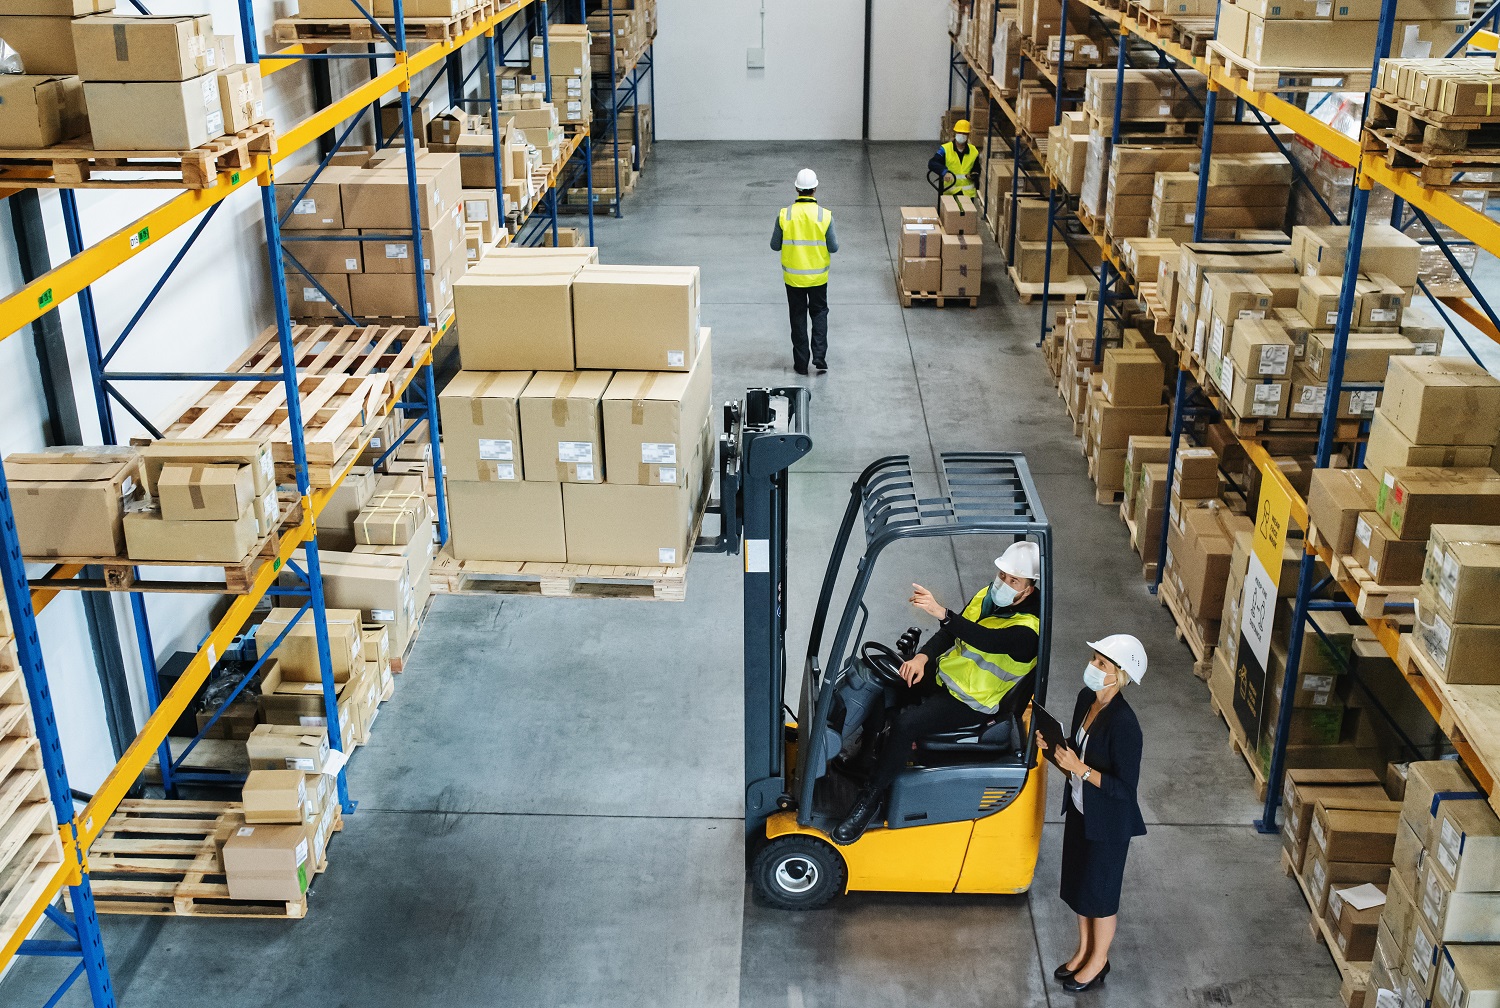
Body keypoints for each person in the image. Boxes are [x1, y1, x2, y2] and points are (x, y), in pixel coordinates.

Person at [832, 541, 1042, 845]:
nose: (1003, 583)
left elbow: (984, 639)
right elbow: (951, 633)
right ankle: (866, 758)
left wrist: (942, 612)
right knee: (885, 682)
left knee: (906, 725)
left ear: (1029, 589)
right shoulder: (988, 597)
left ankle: (870, 800)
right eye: (1002, 575)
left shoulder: (1027, 630)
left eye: (1013, 581)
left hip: (971, 702)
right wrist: (921, 658)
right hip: (945, 677)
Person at [1035, 634, 1147, 994]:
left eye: (1103, 664)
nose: (1093, 668)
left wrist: (1081, 769)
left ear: (1121, 675)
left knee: (1101, 895)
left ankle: (1099, 961)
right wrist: (1055, 750)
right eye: (1094, 660)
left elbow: (1125, 792)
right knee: (1081, 887)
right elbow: (1075, 755)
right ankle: (1084, 950)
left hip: (1109, 823)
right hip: (1083, 811)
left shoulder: (1126, 726)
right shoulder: (1087, 699)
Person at [770, 168, 838, 376]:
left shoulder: (785, 215)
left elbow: (775, 245)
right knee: (819, 313)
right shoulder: (824, 216)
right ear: (815, 189)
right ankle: (819, 356)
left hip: (793, 279)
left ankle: (801, 364)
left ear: (797, 189)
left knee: (798, 317)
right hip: (818, 278)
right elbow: (834, 247)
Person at [927, 119, 980, 197]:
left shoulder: (974, 151)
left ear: (968, 135)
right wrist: (944, 172)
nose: (962, 135)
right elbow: (932, 163)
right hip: (949, 192)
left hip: (967, 194)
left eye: (964, 133)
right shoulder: (945, 149)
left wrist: (973, 175)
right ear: (955, 133)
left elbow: (976, 169)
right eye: (959, 132)